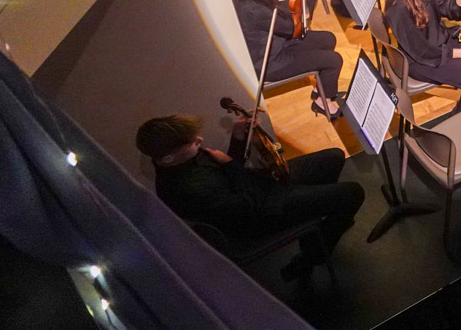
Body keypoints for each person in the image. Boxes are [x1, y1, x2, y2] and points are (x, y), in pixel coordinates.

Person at [135, 114, 364, 283]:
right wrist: (231, 165)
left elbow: (228, 172)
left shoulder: (184, 158)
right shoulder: (185, 190)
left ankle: (318, 230)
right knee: (352, 193)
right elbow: (246, 205)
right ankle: (311, 257)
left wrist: (237, 137)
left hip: (261, 188)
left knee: (334, 156)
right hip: (262, 213)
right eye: (192, 142)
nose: (199, 139)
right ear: (169, 157)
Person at [226, 0, 343, 119]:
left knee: (328, 38)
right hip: (270, 62)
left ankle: (322, 88)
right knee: (334, 60)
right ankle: (322, 103)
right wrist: (285, 0)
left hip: (279, 43)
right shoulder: (252, 9)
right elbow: (289, 28)